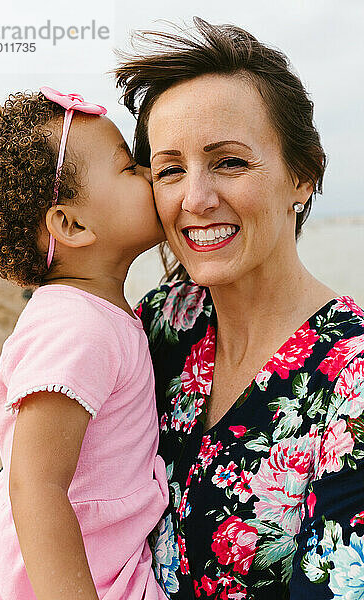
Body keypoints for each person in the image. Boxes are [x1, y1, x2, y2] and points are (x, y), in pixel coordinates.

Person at [115, 17, 364, 600]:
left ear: (302, 177)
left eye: (229, 161)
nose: (195, 200)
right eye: (170, 169)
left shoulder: (350, 383)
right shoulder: (161, 326)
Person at [0, 87, 168, 600]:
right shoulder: (77, 327)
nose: (150, 175)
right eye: (129, 168)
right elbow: (36, 486)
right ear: (72, 225)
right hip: (72, 578)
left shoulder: (92, 314)